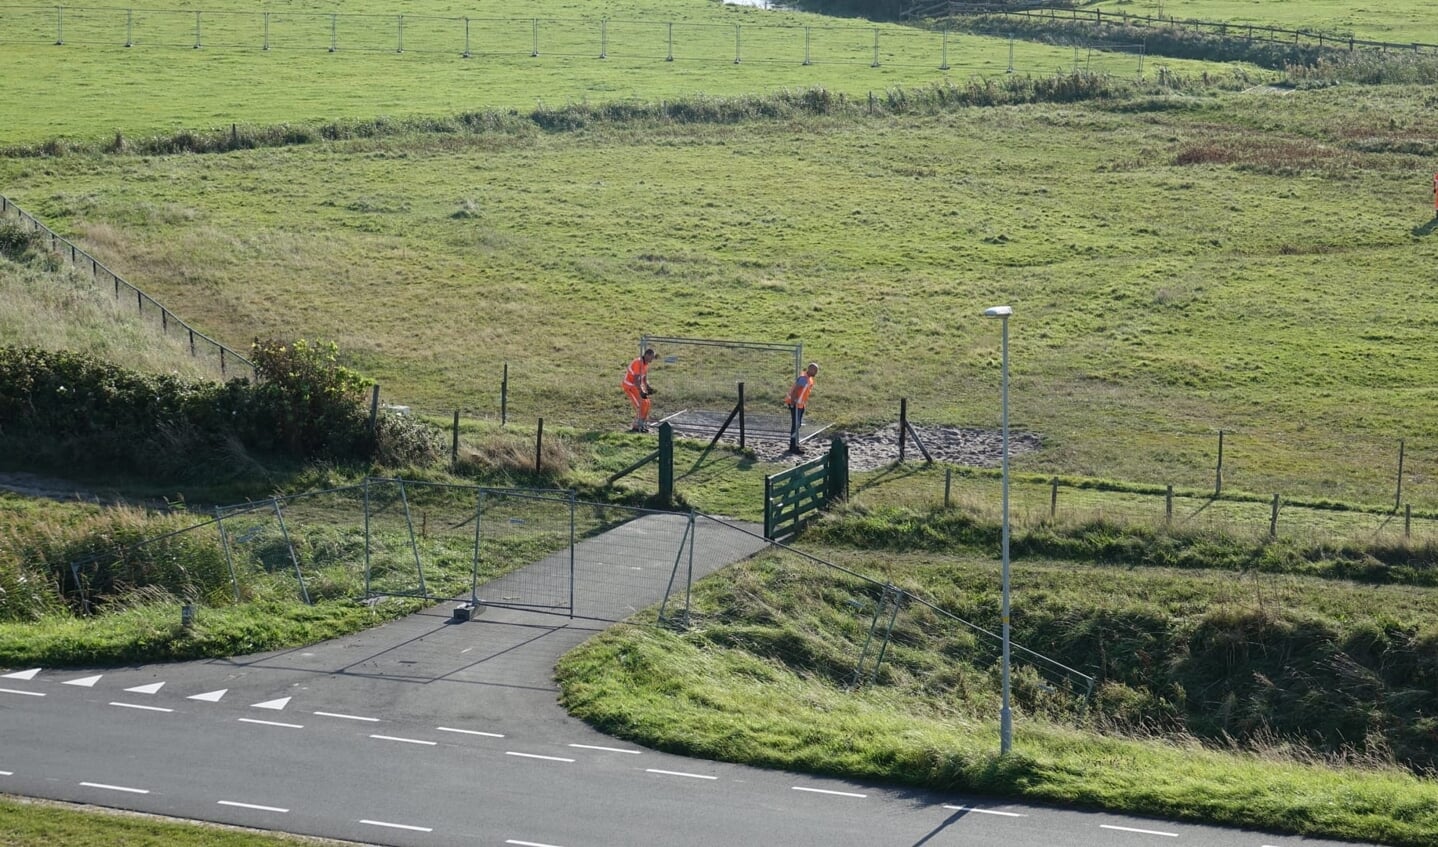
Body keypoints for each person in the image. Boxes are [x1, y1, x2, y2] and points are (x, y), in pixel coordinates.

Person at [784, 362, 819, 453]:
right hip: (796, 404)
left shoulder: (809, 379)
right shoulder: (804, 379)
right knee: (795, 425)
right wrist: (793, 402)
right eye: (815, 370)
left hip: (800, 405)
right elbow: (796, 390)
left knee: (797, 425)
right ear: (810, 369)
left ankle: (795, 444)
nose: (816, 372)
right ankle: (793, 446)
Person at [622, 348, 657, 432]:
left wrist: (648, 388)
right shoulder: (638, 363)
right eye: (652, 357)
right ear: (647, 355)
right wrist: (641, 391)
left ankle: (642, 425)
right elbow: (636, 380)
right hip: (630, 385)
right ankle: (636, 426)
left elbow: (644, 378)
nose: (652, 359)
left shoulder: (645, 363)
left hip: (636, 385)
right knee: (640, 405)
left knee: (647, 403)